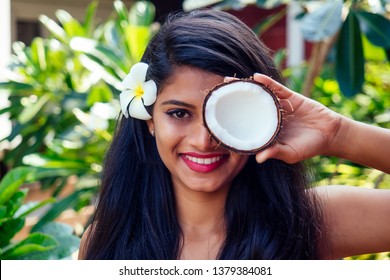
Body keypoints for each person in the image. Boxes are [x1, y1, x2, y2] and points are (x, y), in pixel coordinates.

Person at [78, 9, 390, 260]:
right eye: (179, 113)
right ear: (149, 120)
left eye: (227, 115)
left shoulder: (315, 221)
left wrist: (338, 133)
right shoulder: (108, 240)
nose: (203, 140)